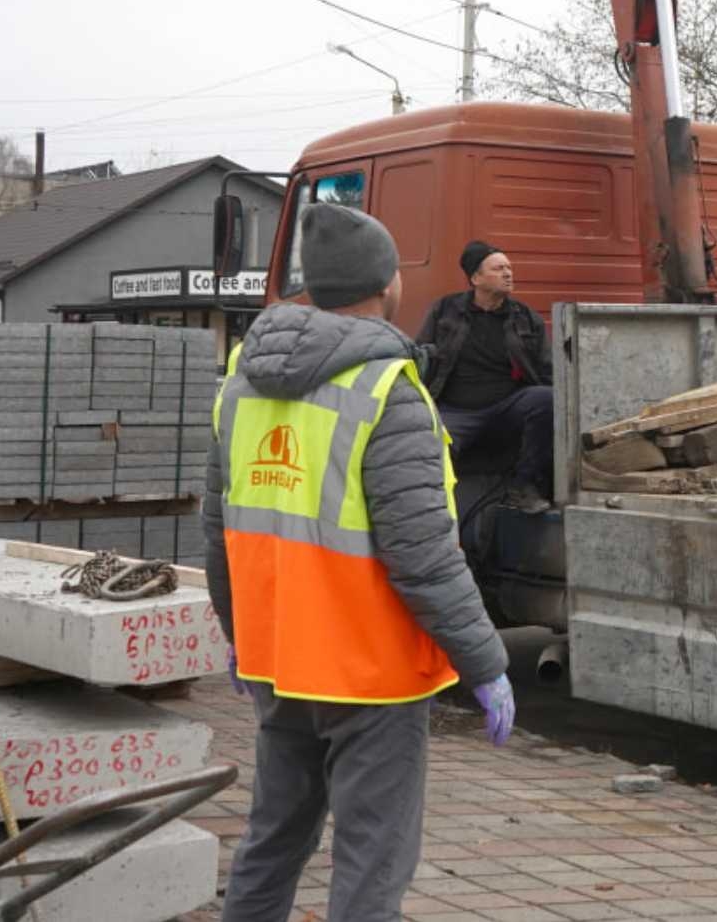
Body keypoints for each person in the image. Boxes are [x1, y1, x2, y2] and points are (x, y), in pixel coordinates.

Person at [202, 202, 514, 922]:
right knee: (373, 857)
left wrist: (240, 635)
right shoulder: (386, 390)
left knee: (273, 837)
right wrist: (485, 663)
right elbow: (424, 554)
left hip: (281, 661)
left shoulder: (241, 386)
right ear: (385, 284)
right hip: (370, 674)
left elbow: (217, 532)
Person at [415, 241, 555, 510]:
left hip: (506, 407)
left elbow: (546, 370)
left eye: (509, 268)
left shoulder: (525, 318)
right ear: (476, 278)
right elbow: (420, 358)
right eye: (499, 268)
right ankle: (431, 511)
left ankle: (524, 487)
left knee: (545, 399)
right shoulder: (445, 311)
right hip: (456, 412)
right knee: (427, 443)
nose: (508, 273)